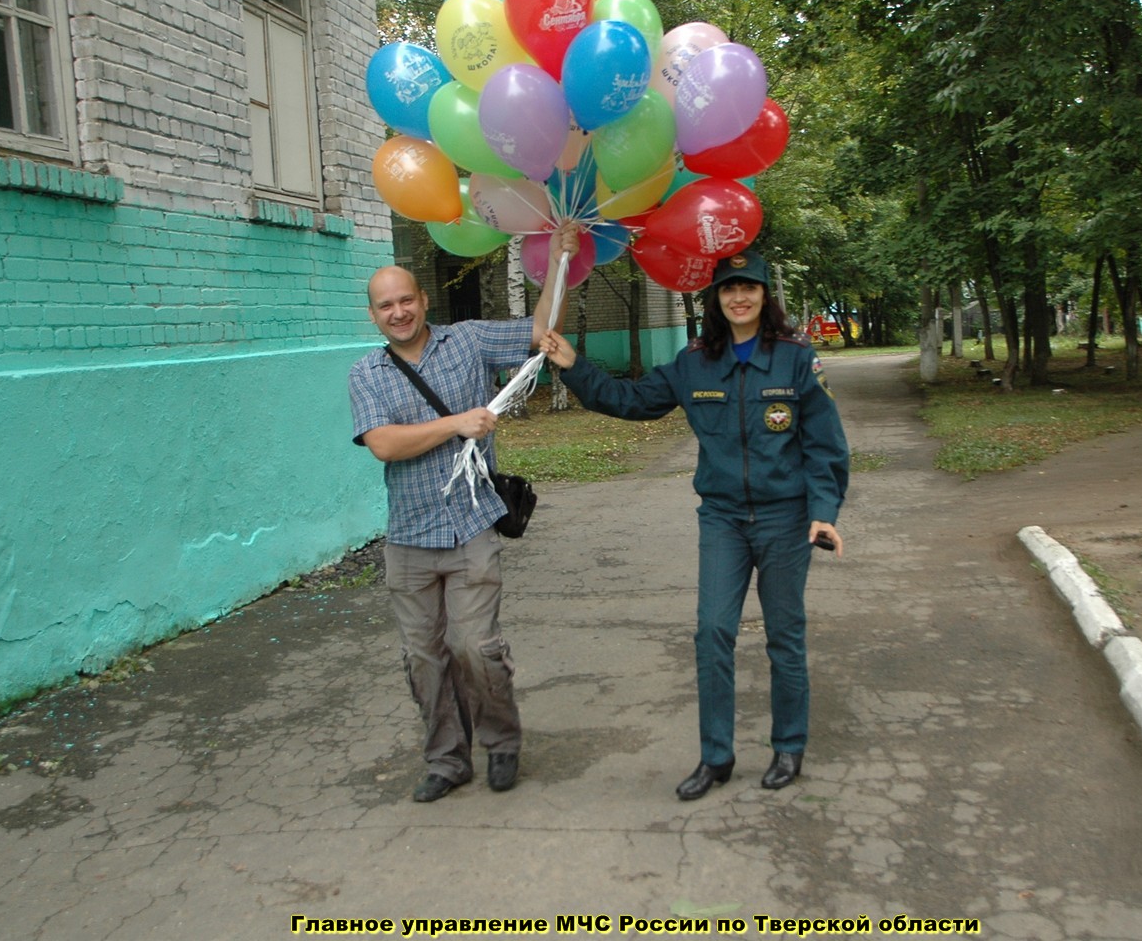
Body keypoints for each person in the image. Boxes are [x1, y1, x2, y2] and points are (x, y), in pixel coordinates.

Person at [540, 250, 849, 800]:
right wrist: (573, 364)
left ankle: (789, 747)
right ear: (717, 299)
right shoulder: (695, 362)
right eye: (729, 289)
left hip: (786, 518)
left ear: (762, 295)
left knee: (785, 636)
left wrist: (824, 513)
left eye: (749, 287)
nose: (739, 297)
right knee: (712, 632)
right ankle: (716, 758)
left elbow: (825, 446)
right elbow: (631, 400)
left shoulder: (797, 362)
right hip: (724, 519)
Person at [349, 227, 577, 803]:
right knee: (424, 658)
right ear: (374, 316)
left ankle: (501, 742)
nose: (398, 312)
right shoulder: (367, 375)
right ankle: (447, 761)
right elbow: (383, 444)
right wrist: (456, 423)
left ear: (424, 301)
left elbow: (541, 332)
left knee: (477, 647)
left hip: (472, 526)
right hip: (409, 537)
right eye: (386, 306)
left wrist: (556, 260)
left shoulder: (469, 341)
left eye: (406, 300)